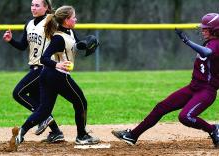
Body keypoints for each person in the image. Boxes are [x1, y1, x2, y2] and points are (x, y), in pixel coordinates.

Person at [112, 13, 219, 147]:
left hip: (206, 91)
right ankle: (133, 135)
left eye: (206, 28)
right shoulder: (210, 42)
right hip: (194, 87)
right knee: (161, 107)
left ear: (215, 30)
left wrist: (188, 42)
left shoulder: (216, 44)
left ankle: (213, 129)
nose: (203, 30)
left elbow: (208, 53)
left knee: (185, 117)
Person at [13, 5, 100, 148]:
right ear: (66, 20)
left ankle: (21, 132)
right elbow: (44, 58)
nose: (76, 19)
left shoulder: (69, 32)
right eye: (73, 17)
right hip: (57, 76)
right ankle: (82, 135)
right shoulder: (58, 38)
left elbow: (75, 45)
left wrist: (85, 44)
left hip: (48, 76)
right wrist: (57, 65)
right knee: (81, 102)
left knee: (44, 110)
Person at [3, 0, 64, 143]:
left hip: (44, 67)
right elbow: (23, 46)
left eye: (37, 5)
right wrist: (11, 40)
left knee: (18, 93)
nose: (33, 8)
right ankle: (56, 132)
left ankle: (45, 118)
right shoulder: (29, 24)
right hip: (34, 67)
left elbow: (66, 34)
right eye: (32, 5)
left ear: (46, 7)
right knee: (40, 104)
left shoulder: (51, 21)